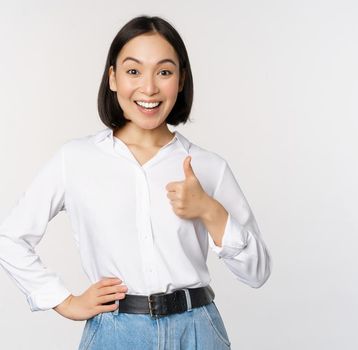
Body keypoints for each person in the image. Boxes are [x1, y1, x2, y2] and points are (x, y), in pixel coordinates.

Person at [0, 15, 271, 349]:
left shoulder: (208, 167)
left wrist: (210, 211)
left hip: (198, 331)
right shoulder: (76, 159)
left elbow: (257, 273)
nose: (149, 87)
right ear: (113, 77)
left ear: (181, 80)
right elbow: (10, 237)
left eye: (164, 71)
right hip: (116, 334)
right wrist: (63, 300)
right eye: (133, 71)